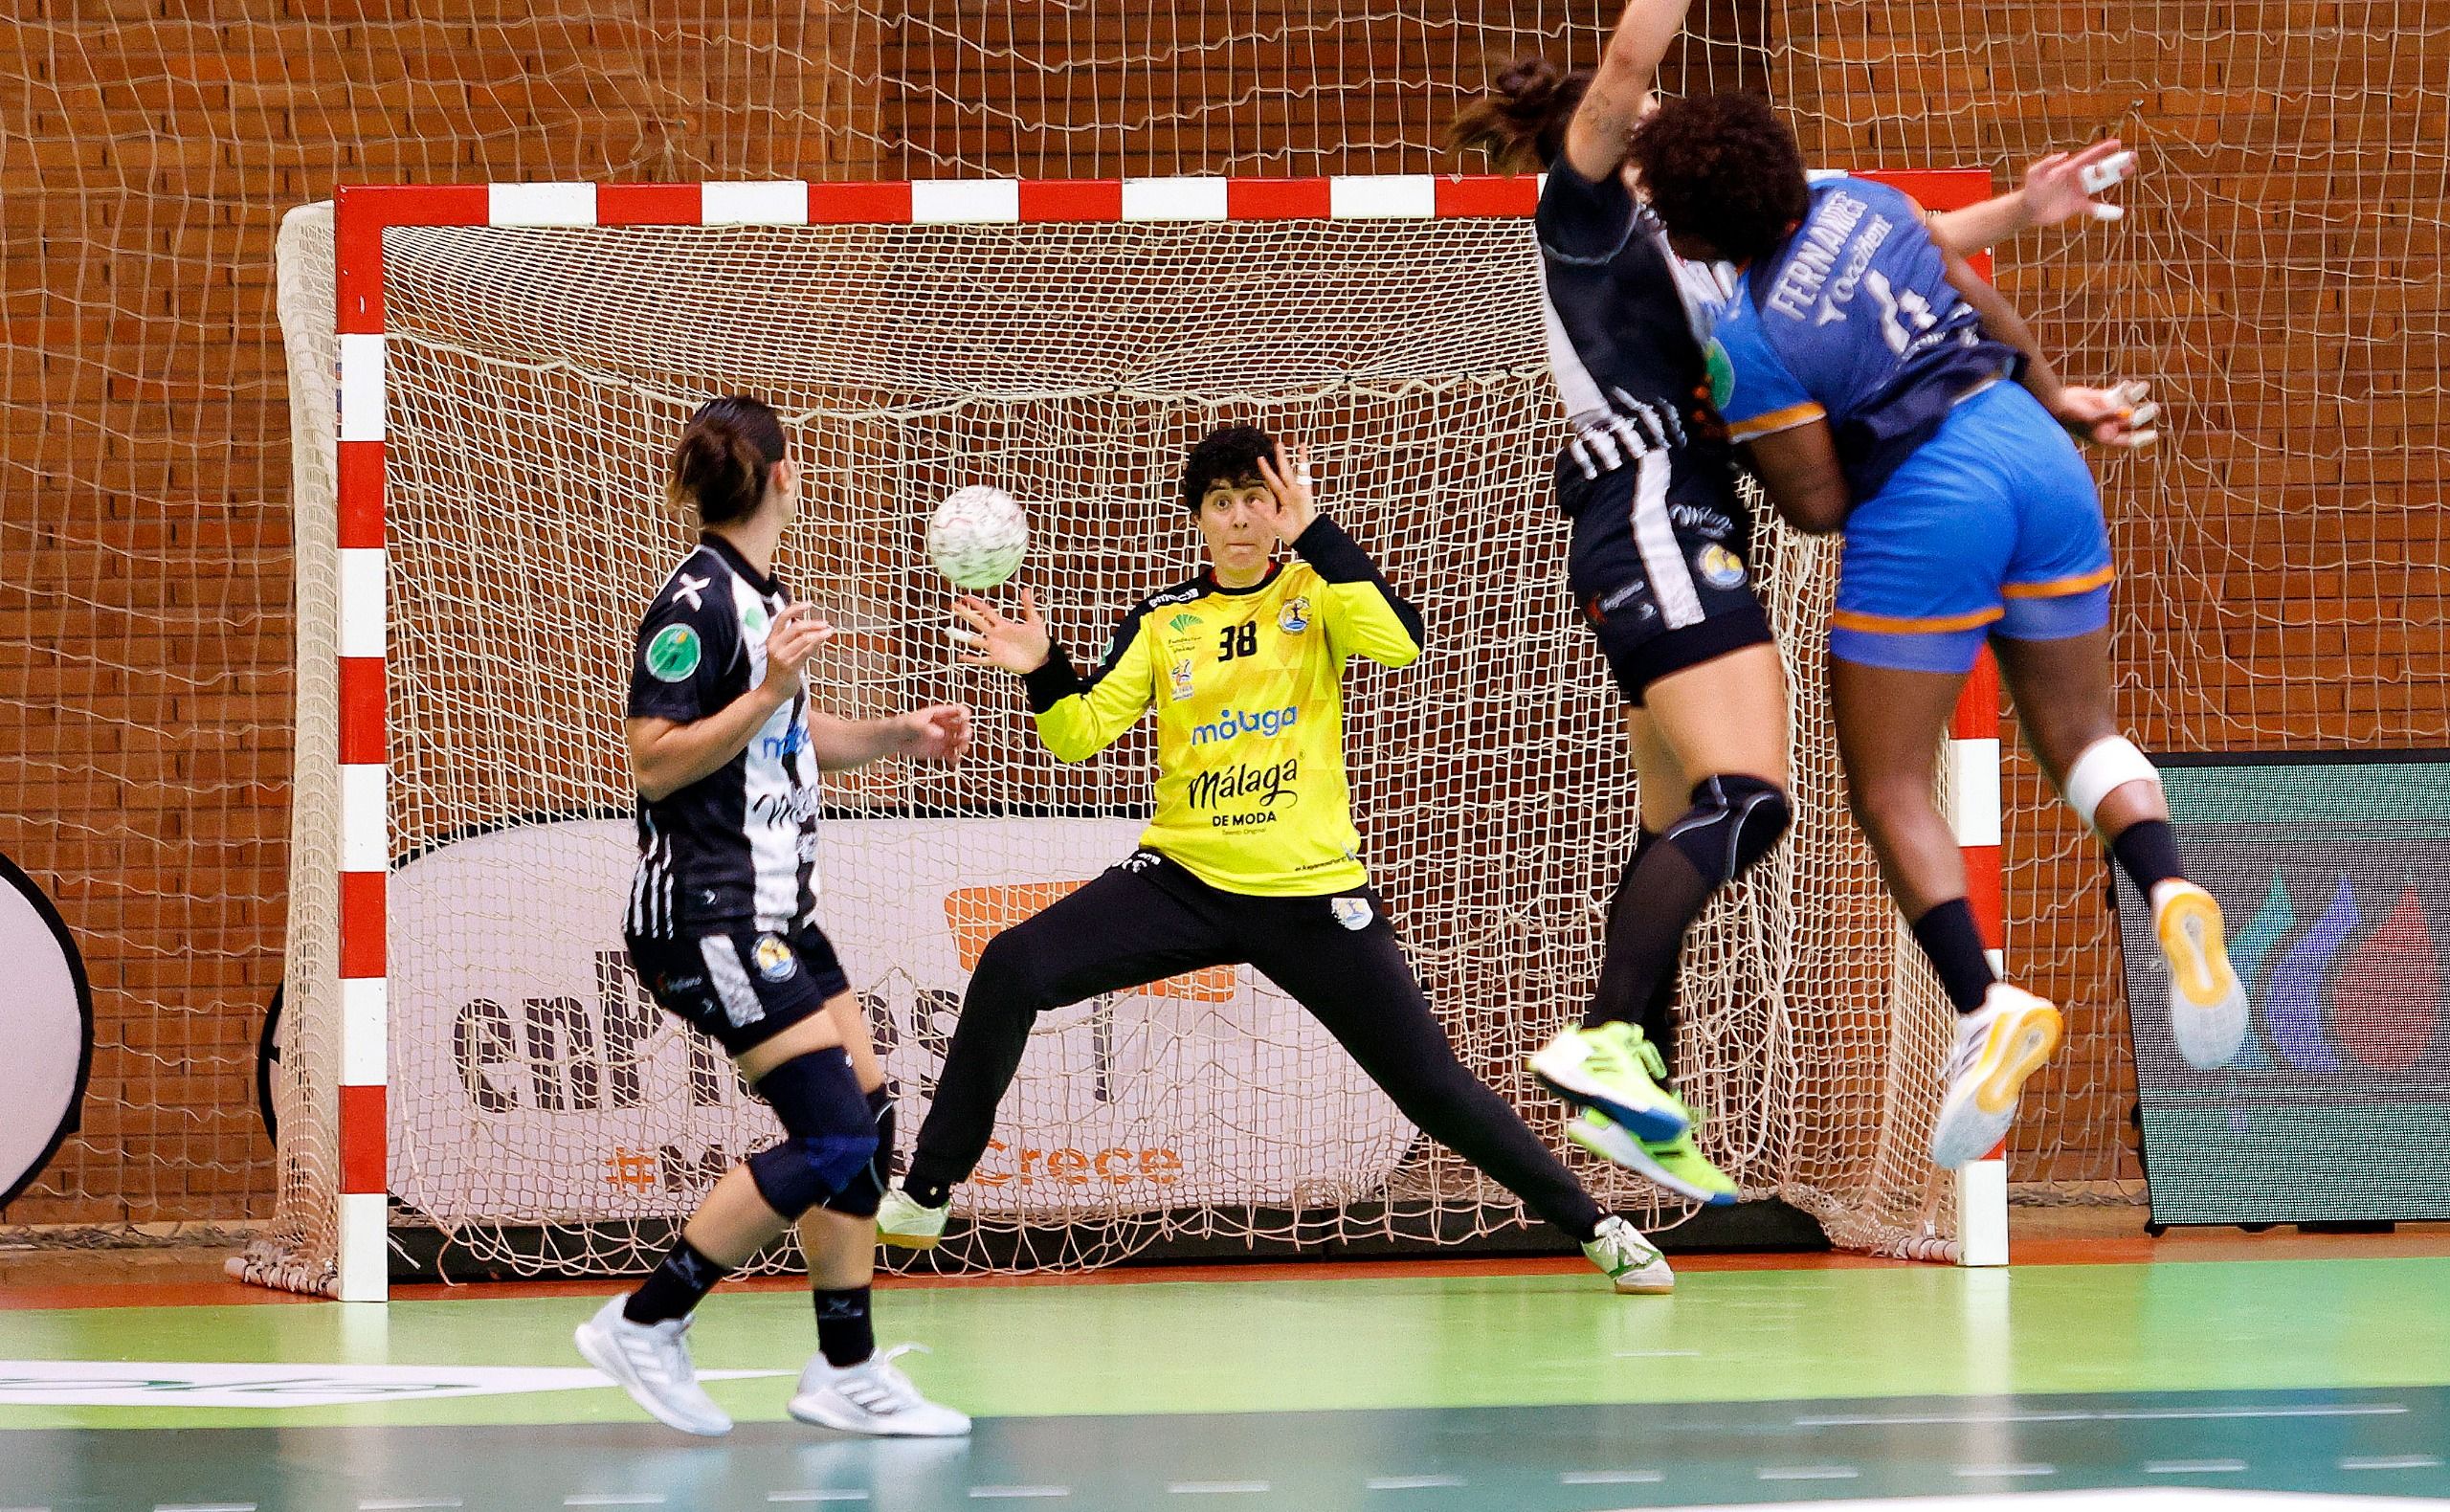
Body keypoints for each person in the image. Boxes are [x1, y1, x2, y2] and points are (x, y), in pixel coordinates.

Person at [1445, 0, 2155, 1197]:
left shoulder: (1704, 251)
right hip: (1654, 504)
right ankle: (1604, 1046)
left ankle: (1637, 1079)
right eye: (1648, 120)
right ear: (1610, 141)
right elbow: (1628, 60)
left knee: (1672, 814)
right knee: (1750, 799)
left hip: (1682, 515)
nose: (1662, 124)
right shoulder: (1583, 213)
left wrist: (2025, 212)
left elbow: (1905, 240)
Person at [875, 423, 1676, 1294]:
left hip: (1311, 897)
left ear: (1281, 504)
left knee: (1433, 1090)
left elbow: (1400, 642)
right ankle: (927, 1190)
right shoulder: (1164, 620)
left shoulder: (1320, 591)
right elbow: (1077, 735)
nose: (1242, 517)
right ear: (1200, 519)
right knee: (1013, 961)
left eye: (1257, 497)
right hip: (1182, 882)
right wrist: (1040, 667)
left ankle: (1598, 1227)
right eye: (1223, 502)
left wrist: (1321, 536)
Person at [1624, 93, 2249, 1168]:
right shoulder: (1861, 198)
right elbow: (1976, 299)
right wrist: (2062, 399)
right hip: (2031, 450)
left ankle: (1982, 1004)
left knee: (1891, 786)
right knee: (2080, 730)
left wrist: (1730, 434)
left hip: (1928, 502)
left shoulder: (1747, 338)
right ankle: (2170, 884)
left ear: (1693, 231)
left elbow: (1817, 503)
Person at [575, 394, 975, 1437]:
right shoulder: (693, 605)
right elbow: (655, 761)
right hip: (708, 914)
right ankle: (646, 1320)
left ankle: (844, 1370)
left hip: (782, 911)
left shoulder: (766, 595)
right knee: (834, 1132)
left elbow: (785, 739)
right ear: (786, 475)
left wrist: (900, 733)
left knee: (872, 1126)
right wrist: (765, 692)